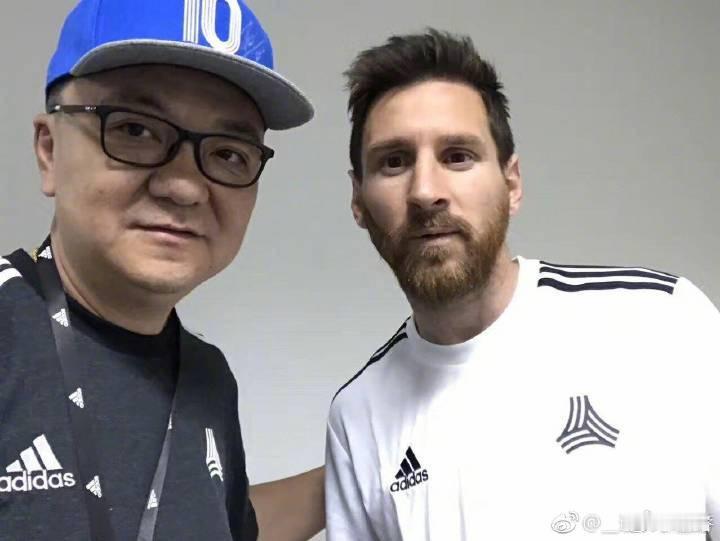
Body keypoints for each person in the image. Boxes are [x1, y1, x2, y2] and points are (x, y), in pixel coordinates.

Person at [325, 29, 720, 540]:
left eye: (457, 156)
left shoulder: (661, 321)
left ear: (511, 184)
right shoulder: (357, 414)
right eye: (394, 162)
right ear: (358, 200)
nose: (425, 191)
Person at [0, 0, 325, 540]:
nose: (184, 186)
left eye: (229, 153)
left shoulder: (207, 378)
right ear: (49, 151)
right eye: (135, 129)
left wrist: (365, 460)